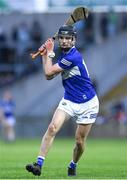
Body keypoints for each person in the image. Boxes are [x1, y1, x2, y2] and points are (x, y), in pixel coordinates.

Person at [26, 25, 99, 176]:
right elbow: (48, 76)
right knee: (52, 127)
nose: (65, 41)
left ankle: (73, 164)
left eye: (68, 38)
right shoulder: (63, 56)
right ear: (59, 40)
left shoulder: (73, 57)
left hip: (88, 103)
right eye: (62, 38)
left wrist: (49, 52)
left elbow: (48, 71)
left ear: (74, 40)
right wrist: (46, 54)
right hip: (69, 100)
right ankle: (38, 164)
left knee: (79, 141)